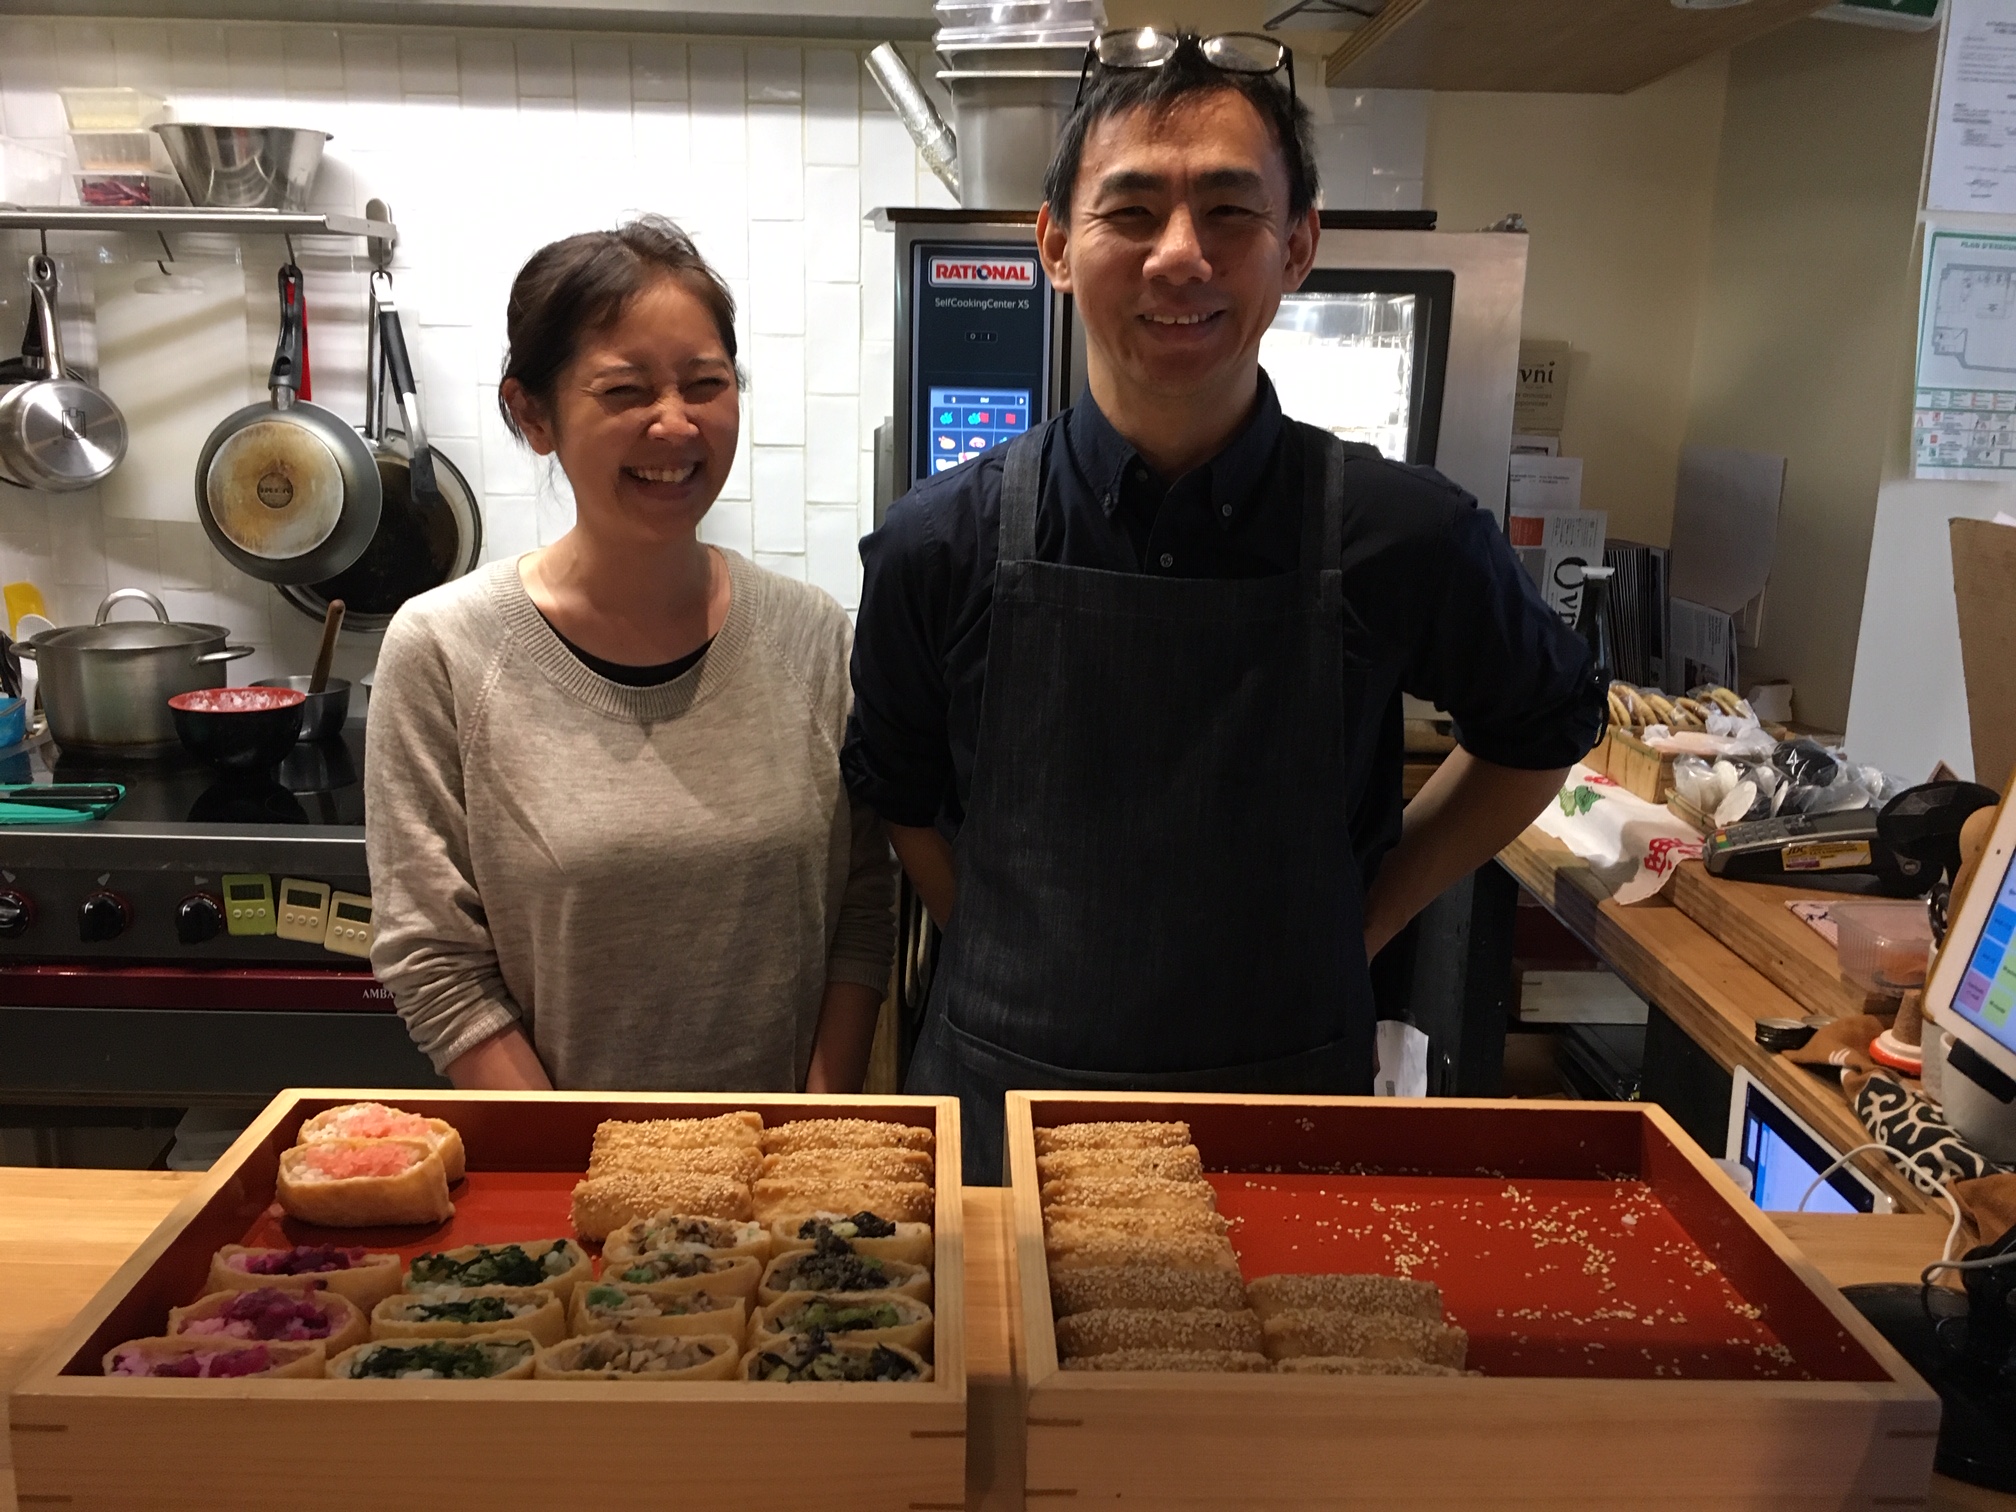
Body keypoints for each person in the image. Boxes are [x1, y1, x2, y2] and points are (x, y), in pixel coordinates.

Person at [842, 32, 1605, 1182]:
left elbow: (1543, 725)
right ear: (1054, 244)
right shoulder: (932, 546)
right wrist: (1013, 952)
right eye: (1132, 211)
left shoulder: (1406, 534)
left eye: (1230, 213)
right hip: (1006, 1117)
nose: (1180, 256)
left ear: (1297, 246)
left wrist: (1368, 920)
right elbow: (898, 799)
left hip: (1282, 1111)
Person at [367, 216, 894, 1095]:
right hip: (570, 1194)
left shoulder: (812, 636)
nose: (675, 424)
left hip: (788, 1200)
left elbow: (859, 911)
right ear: (531, 413)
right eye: (624, 392)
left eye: (705, 384)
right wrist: (578, 1165)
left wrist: (814, 1138)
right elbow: (435, 962)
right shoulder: (445, 649)